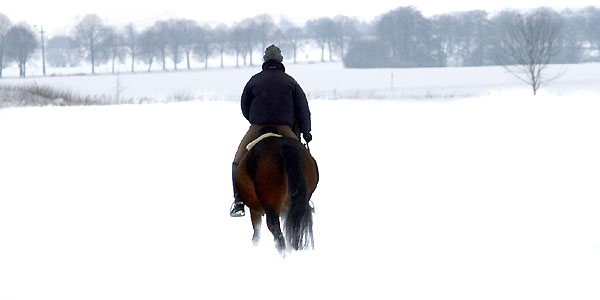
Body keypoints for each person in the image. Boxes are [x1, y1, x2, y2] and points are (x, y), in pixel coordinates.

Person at [230, 44, 312, 217]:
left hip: (258, 126)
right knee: (303, 158)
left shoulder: (254, 80)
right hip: (284, 127)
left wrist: (255, 120)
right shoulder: (291, 82)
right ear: (281, 60)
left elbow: (244, 105)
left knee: (237, 161)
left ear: (265, 60)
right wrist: (306, 132)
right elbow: (303, 109)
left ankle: (238, 201)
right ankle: (305, 197)